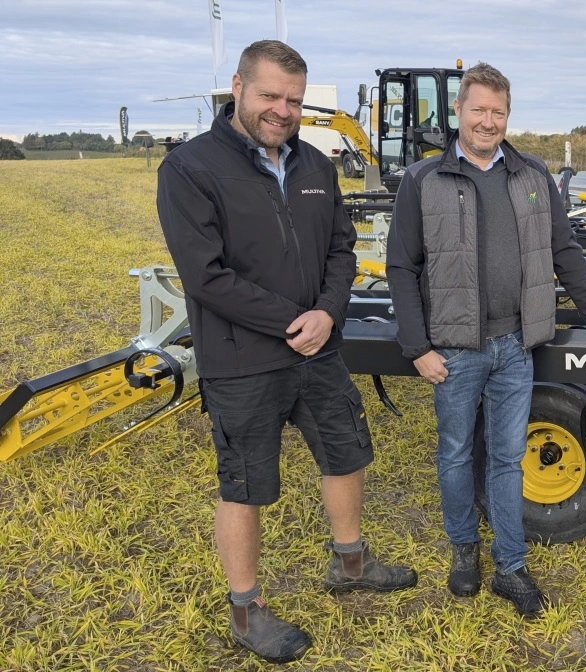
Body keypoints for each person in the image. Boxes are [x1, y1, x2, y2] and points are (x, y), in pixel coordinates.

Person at [157, 40, 416, 664]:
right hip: (242, 358)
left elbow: (341, 250)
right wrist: (295, 320)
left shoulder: (315, 167)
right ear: (238, 87)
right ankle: (247, 609)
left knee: (346, 450)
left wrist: (328, 312)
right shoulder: (191, 169)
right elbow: (206, 276)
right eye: (270, 95)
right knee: (244, 484)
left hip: (318, 349)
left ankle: (350, 564)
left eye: (294, 100)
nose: (282, 110)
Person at [386, 62, 586, 618]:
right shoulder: (424, 180)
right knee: (454, 452)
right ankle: (463, 551)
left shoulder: (531, 176)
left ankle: (511, 566)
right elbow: (401, 267)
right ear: (459, 112)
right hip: (454, 348)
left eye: (498, 112)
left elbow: (563, 249)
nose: (488, 121)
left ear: (508, 115)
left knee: (507, 456)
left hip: (516, 345)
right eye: (479, 110)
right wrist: (417, 347)